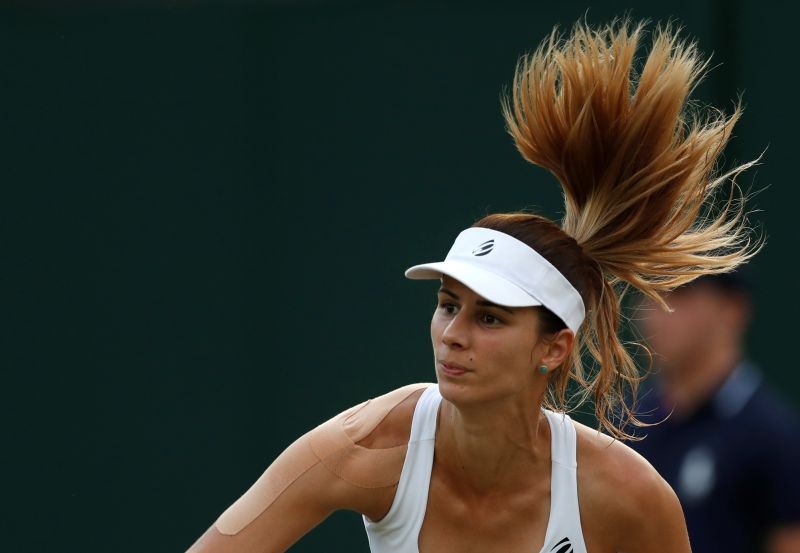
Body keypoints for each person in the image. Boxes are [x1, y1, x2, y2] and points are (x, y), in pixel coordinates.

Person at [186, 18, 761, 553]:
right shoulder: (363, 447)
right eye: (447, 305)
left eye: (490, 317)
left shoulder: (627, 495)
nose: (452, 335)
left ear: (554, 346)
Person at [631, 272, 800, 553]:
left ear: (732, 309)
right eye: (650, 293)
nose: (657, 311)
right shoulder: (625, 421)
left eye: (680, 294)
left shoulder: (775, 436)